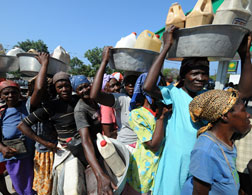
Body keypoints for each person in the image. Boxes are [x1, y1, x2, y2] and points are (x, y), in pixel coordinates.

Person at [143, 25, 252, 194]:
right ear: (183, 75)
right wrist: (166, 47)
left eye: (205, 73)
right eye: (195, 73)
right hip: (177, 162)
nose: (200, 78)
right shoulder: (174, 93)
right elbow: (148, 86)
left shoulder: (208, 97)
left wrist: (245, 55)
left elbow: (244, 92)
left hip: (203, 162)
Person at [17, 72, 82, 195]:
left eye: (67, 85)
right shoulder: (50, 106)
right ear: (56, 89)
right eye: (60, 87)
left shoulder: (78, 100)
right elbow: (22, 126)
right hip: (64, 151)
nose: (64, 89)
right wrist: (45, 143)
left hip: (83, 148)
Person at [181, 89, 251, 195]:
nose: (248, 115)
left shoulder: (229, 140)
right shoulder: (205, 150)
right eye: (243, 110)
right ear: (225, 116)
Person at [123, 73, 169, 195]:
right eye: (157, 88)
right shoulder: (137, 115)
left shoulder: (167, 111)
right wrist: (161, 117)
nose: (161, 93)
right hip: (144, 170)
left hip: (162, 168)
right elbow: (153, 145)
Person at [71, 75, 117, 195]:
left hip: (106, 146)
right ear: (76, 92)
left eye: (86, 86)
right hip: (94, 154)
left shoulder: (97, 99)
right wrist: (99, 174)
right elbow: (86, 140)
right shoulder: (80, 110)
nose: (85, 90)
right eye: (80, 89)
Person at [90, 47, 139, 153]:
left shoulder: (148, 100)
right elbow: (95, 95)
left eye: (135, 82)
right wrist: (104, 62)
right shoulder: (122, 99)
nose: (131, 85)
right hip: (127, 147)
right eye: (128, 82)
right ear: (124, 85)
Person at [26, 52, 57, 195]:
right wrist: (44, 64)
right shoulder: (32, 104)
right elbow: (39, 89)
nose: (46, 87)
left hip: (58, 150)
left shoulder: (53, 102)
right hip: (45, 153)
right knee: (46, 190)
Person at [0, 80, 35, 195]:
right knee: (21, 185)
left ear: (19, 93)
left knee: (33, 183)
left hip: (32, 152)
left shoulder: (27, 106)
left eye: (14, 92)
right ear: (1, 95)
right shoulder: (1, 112)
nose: (10, 96)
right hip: (14, 154)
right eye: (6, 93)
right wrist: (2, 148)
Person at [100, 74, 121, 138]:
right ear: (105, 90)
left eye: (117, 84)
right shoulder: (106, 107)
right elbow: (108, 134)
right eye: (112, 86)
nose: (117, 88)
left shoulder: (118, 101)